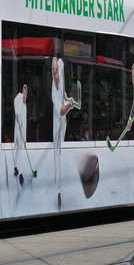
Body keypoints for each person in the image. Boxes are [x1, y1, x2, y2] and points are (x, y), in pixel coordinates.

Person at [51, 56, 78, 207]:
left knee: (63, 152)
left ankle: (63, 185)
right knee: (57, 155)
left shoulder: (60, 82)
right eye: (54, 71)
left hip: (63, 124)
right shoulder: (53, 91)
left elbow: (64, 95)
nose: (56, 75)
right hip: (57, 125)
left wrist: (69, 100)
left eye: (57, 71)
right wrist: (69, 105)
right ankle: (58, 189)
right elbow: (61, 111)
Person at [12, 84, 30, 185]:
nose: (24, 95)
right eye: (23, 92)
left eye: (26, 93)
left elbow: (25, 125)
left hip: (21, 131)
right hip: (17, 129)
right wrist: (17, 113)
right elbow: (15, 102)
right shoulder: (18, 97)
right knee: (18, 150)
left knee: (20, 149)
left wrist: (25, 140)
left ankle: (18, 169)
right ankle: (19, 171)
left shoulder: (25, 106)